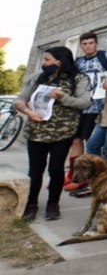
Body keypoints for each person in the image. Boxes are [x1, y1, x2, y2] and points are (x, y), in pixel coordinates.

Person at [14, 47, 91, 222]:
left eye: (47, 60)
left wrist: (63, 97)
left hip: (62, 132)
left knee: (56, 169)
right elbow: (20, 99)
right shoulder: (38, 78)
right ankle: (31, 204)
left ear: (59, 62)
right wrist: (29, 112)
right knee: (35, 170)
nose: (43, 63)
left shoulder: (78, 79)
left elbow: (84, 103)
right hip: (36, 132)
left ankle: (53, 204)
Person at [63, 32, 107, 192]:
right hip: (79, 106)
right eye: (85, 44)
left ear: (97, 44)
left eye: (91, 43)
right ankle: (74, 174)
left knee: (92, 144)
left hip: (98, 107)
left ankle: (90, 179)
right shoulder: (78, 62)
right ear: (81, 46)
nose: (88, 46)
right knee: (75, 141)